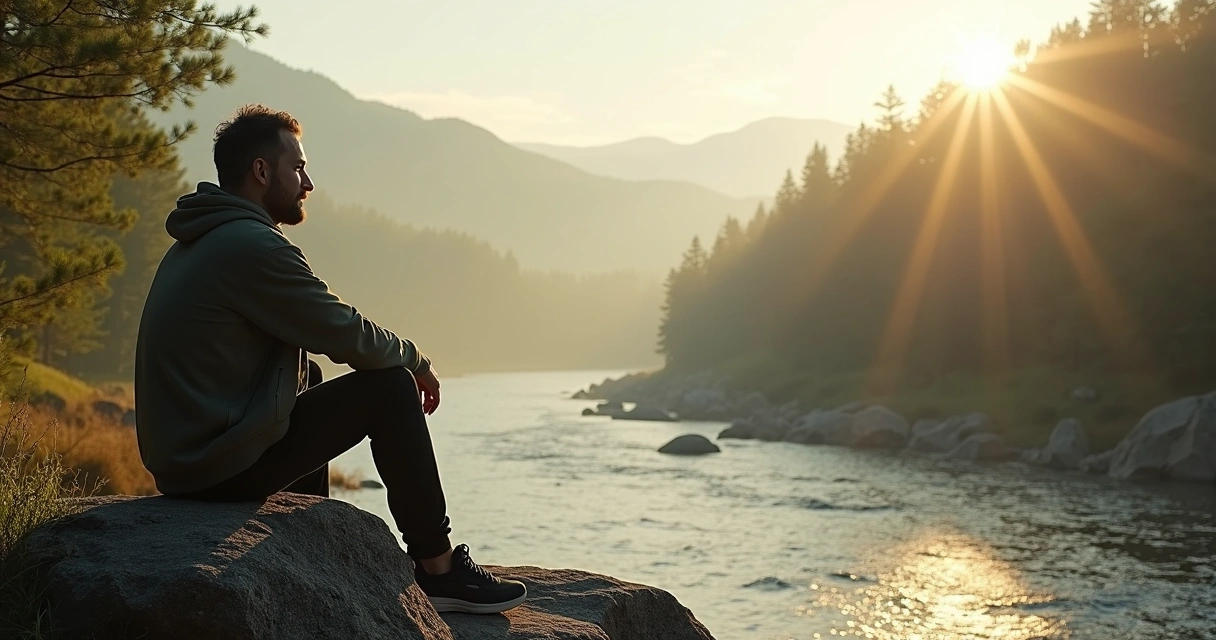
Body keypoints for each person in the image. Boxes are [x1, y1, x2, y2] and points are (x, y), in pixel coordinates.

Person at [133, 103, 526, 615]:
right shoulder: (251, 246)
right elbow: (344, 332)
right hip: (216, 470)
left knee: (308, 374)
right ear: (261, 171)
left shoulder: (203, 238)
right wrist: (413, 358)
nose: (308, 181)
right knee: (387, 387)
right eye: (297, 167)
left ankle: (307, 526)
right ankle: (439, 568)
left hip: (187, 463)